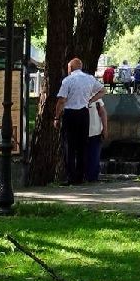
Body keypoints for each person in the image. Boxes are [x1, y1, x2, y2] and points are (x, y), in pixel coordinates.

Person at [49, 57, 103, 185]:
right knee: (82, 146)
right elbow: (102, 90)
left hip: (70, 114)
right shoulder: (90, 79)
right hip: (84, 114)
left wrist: (56, 117)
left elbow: (61, 100)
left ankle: (71, 177)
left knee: (69, 146)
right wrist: (91, 100)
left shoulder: (68, 80)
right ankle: (80, 176)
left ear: (70, 68)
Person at [85, 93, 106, 182]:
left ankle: (92, 178)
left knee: (94, 156)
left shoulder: (95, 97)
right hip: (83, 132)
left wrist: (105, 129)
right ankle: (86, 177)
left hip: (95, 131)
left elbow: (103, 112)